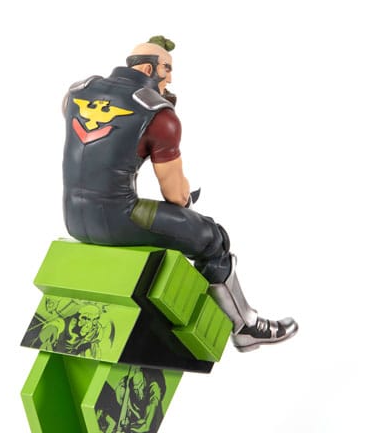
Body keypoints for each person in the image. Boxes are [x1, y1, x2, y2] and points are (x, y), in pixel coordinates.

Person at [61, 36, 297, 351]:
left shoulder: (76, 92)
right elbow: (174, 195)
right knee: (212, 237)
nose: (170, 79)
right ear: (148, 69)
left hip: (73, 218)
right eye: (167, 69)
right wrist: (186, 200)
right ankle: (246, 326)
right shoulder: (159, 114)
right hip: (118, 220)